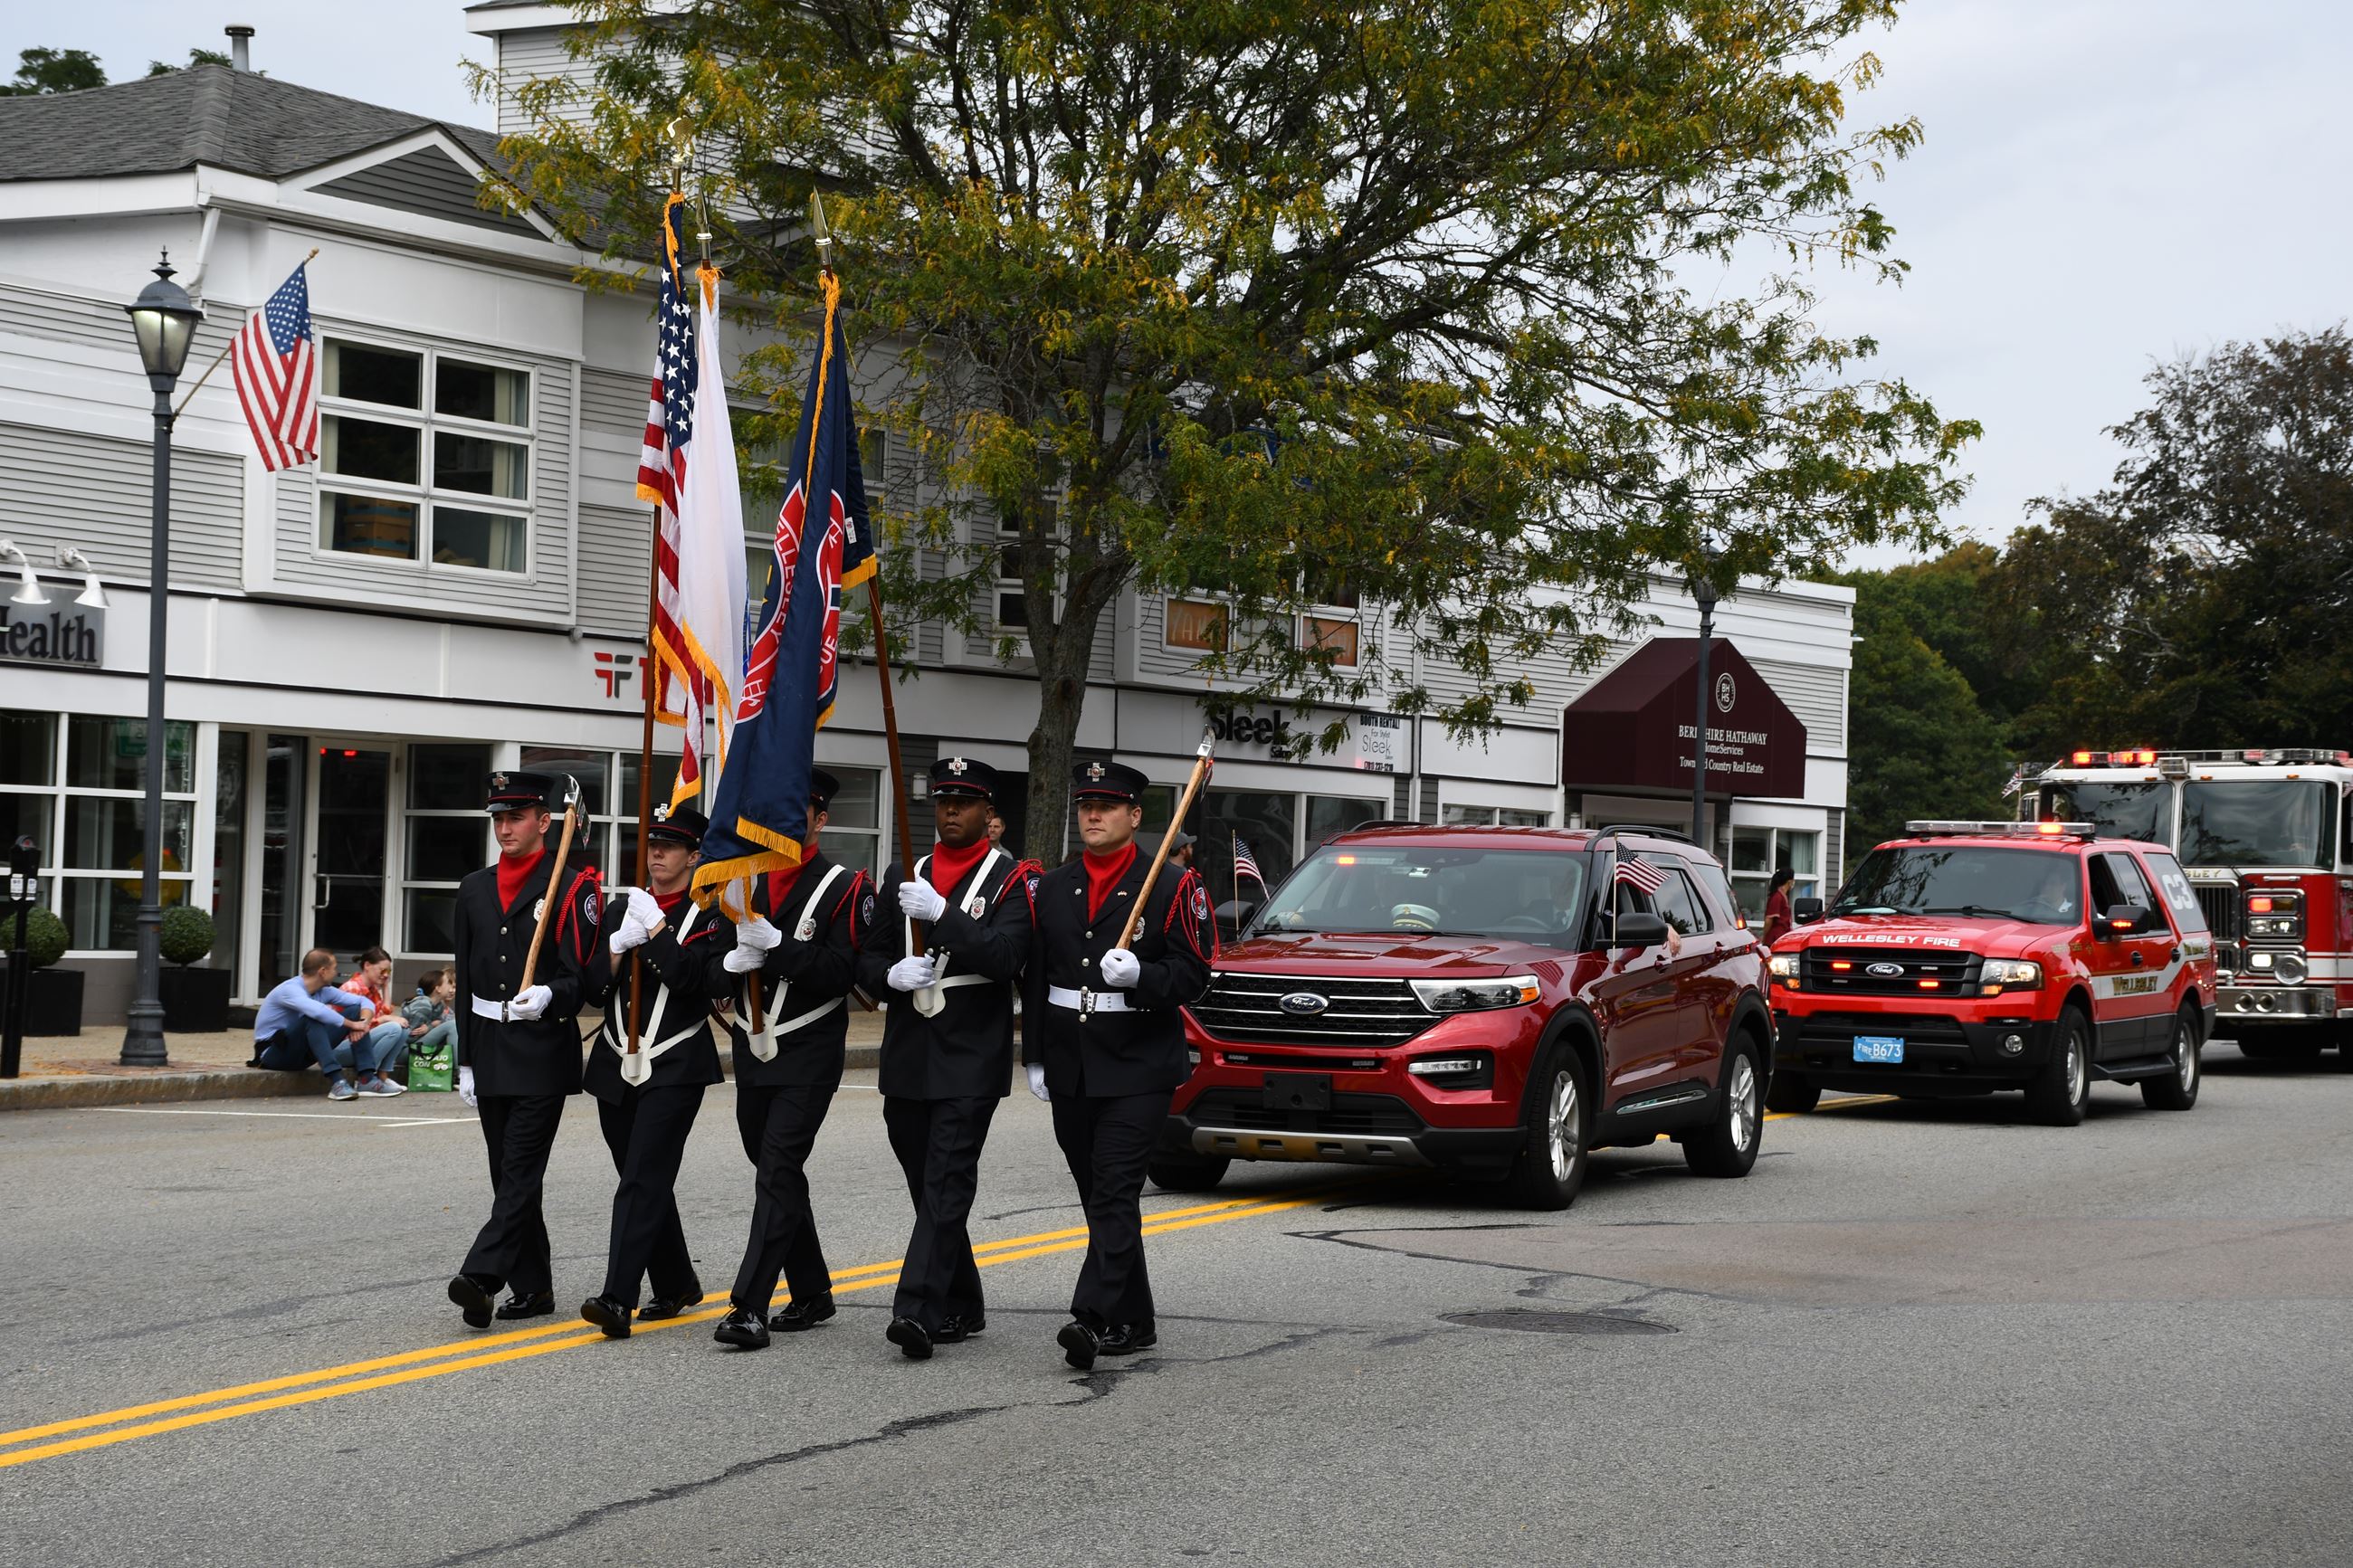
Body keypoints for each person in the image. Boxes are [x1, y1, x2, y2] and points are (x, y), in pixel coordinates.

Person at [1022, 760, 1215, 1369]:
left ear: (1136, 816)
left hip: (1138, 1065)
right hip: (1072, 1062)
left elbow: (1196, 973)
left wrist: (1143, 978)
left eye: (1107, 805)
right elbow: (1035, 977)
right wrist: (1032, 1055)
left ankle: (1092, 1316)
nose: (1094, 815)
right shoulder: (1052, 886)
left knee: (1114, 1189)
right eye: (1086, 805)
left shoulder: (1170, 885)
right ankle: (1136, 1316)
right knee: (1099, 1195)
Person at [856, 755, 1040, 1360]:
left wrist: (944, 916)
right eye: (943, 800)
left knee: (945, 1179)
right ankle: (964, 1297)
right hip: (910, 1050)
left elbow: (1009, 956)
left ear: (990, 813)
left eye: (965, 801)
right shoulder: (905, 871)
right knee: (924, 1182)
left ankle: (917, 1307)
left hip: (969, 1050)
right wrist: (891, 972)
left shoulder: (1009, 879)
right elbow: (868, 959)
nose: (952, 810)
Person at [713, 768, 874, 1351]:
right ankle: (811, 1290)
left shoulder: (844, 885)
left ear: (819, 818)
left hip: (808, 1048)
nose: (785, 819)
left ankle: (748, 1305)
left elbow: (847, 974)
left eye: (798, 809)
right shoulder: (739, 879)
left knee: (778, 1169)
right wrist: (724, 970)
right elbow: (712, 956)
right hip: (752, 1049)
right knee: (775, 1173)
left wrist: (781, 948)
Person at [446, 770, 603, 1330]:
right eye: (498, 819)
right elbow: (466, 980)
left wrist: (553, 996)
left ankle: (482, 1275)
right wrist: (465, 1058)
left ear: (545, 822)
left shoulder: (571, 885)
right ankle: (533, 1288)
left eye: (515, 817)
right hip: (490, 1046)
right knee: (506, 1175)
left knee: (519, 1171)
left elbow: (586, 978)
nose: (505, 828)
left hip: (541, 1048)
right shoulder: (473, 888)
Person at [577, 803, 732, 1339]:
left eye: (670, 845)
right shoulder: (624, 909)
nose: (658, 853)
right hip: (615, 1060)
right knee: (641, 1177)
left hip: (676, 1061)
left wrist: (658, 931)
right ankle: (676, 1281)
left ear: (695, 855)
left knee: (643, 1178)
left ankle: (617, 1297)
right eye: (652, 844)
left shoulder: (714, 914)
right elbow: (593, 990)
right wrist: (616, 952)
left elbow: (697, 981)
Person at [251, 948, 405, 1099]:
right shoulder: (290, 989)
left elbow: (363, 1002)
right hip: (274, 1054)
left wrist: (363, 1023)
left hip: (302, 1054)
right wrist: (352, 1025)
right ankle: (337, 1082)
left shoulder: (324, 990)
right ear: (323, 971)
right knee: (312, 1019)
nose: (336, 972)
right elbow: (317, 1012)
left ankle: (367, 1079)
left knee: (355, 1010)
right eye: (334, 968)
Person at [338, 946, 413, 1081]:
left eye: (388, 971)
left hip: (359, 1043)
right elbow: (354, 1026)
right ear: (367, 965)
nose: (386, 974)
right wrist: (385, 1019)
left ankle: (382, 1075)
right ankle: (367, 1077)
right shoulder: (352, 988)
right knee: (394, 1028)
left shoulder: (373, 990)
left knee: (403, 1028)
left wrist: (385, 986)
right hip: (340, 1048)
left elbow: (385, 1011)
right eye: (383, 970)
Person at [402, 969, 457, 1064]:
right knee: (453, 1025)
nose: (451, 988)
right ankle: (459, 1072)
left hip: (419, 1046)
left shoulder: (439, 1006)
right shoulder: (422, 1005)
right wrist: (431, 1027)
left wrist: (431, 1027)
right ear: (438, 989)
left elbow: (438, 1023)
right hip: (406, 1051)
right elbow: (411, 1037)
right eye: (448, 983)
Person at [1763, 867, 1796, 948]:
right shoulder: (1777, 897)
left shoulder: (1782, 896)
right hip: (1775, 939)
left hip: (1782, 938)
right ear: (1789, 882)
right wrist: (1764, 937)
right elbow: (1769, 920)